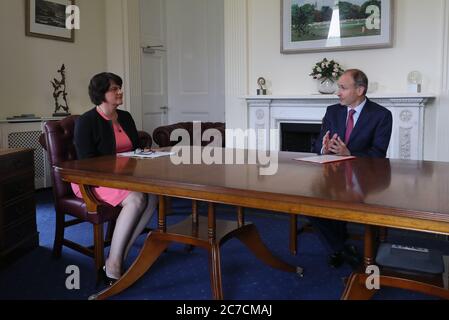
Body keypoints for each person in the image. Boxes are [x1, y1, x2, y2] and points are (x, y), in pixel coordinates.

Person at [72, 72, 158, 284]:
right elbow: (86, 163)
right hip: (91, 180)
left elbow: (134, 150)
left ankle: (117, 257)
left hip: (124, 178)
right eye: (114, 89)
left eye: (120, 87)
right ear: (101, 94)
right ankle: (113, 266)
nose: (120, 91)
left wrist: (144, 154)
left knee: (153, 197)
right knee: (137, 199)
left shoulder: (126, 117)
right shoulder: (87, 121)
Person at [310, 69, 393, 269]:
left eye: (343, 88)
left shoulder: (381, 115)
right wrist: (324, 146)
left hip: (366, 179)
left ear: (360, 90)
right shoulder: (333, 111)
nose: (338, 92)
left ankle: (342, 248)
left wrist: (350, 153)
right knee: (308, 203)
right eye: (339, 87)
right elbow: (317, 146)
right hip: (334, 177)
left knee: (353, 201)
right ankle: (342, 248)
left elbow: (378, 155)